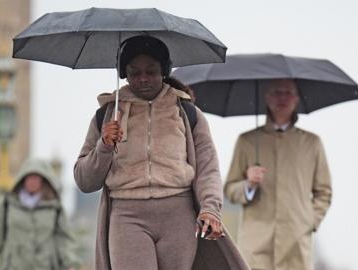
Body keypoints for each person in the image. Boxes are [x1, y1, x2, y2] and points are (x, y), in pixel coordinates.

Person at [74, 35, 249, 270]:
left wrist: (210, 208)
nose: (143, 79)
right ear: (124, 73)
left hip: (178, 217)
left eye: (152, 71)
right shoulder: (106, 115)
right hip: (127, 216)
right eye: (135, 72)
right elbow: (84, 181)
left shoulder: (188, 113)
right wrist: (104, 146)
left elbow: (208, 169)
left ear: (164, 71)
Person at [224, 79, 332, 270]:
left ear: (297, 98)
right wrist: (249, 185)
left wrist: (308, 222)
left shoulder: (312, 143)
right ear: (266, 97)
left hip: (296, 245)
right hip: (256, 243)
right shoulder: (247, 141)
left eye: (288, 92)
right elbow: (230, 190)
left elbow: (324, 192)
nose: (282, 97)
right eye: (276, 92)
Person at [0, 158, 81, 270]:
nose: (32, 181)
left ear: (43, 181)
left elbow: (63, 239)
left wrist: (71, 263)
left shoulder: (54, 208)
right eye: (29, 177)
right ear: (23, 179)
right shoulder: (8, 204)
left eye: (36, 178)